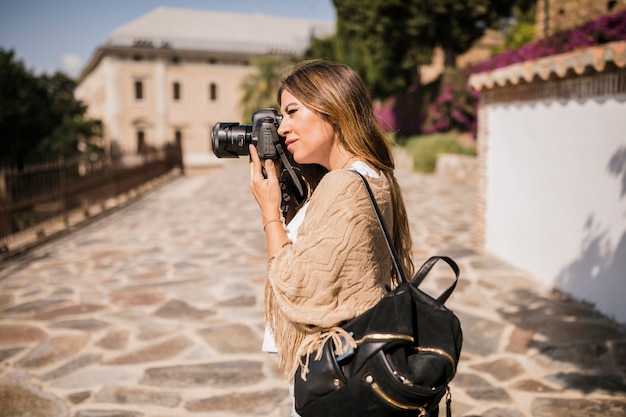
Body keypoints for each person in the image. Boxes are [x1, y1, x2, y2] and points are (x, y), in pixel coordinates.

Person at [248, 59, 414, 414]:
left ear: (332, 108)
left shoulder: (343, 185)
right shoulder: (372, 174)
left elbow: (297, 285)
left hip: (337, 372)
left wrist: (269, 212)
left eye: (292, 112)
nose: (282, 128)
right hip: (354, 365)